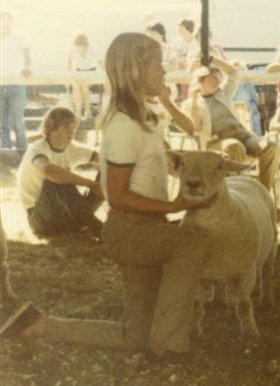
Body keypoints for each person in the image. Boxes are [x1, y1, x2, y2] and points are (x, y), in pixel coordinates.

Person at [1, 33, 216, 359]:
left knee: (135, 337)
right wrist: (175, 205)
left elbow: (182, 137)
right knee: (192, 243)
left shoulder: (142, 116)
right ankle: (170, 342)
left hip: (144, 228)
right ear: (136, 70)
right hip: (131, 231)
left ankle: (48, 325)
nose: (164, 71)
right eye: (158, 65)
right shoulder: (123, 124)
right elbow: (117, 197)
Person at [182, 55, 278, 192]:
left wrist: (211, 59)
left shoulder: (222, 94)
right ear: (201, 81)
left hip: (243, 136)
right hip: (218, 140)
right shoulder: (192, 103)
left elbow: (233, 72)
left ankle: (262, 193)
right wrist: (194, 99)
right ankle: (239, 193)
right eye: (213, 78)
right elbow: (195, 127)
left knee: (270, 146)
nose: (217, 82)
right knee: (234, 146)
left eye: (218, 78)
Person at [17, 106, 103, 240]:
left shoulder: (72, 148)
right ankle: (94, 225)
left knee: (108, 172)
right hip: (41, 219)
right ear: (52, 128)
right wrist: (91, 184)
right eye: (66, 128)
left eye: (73, 128)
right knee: (56, 178)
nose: (72, 132)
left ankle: (95, 221)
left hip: (67, 215)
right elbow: (49, 170)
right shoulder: (37, 149)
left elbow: (105, 160)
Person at [0, 12, 32, 151]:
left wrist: (28, 67)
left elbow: (27, 55)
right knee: (2, 123)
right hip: (0, 84)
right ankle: (5, 153)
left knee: (18, 121)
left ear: (10, 23)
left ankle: (22, 151)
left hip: (16, 84)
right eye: (1, 22)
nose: (4, 25)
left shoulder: (19, 38)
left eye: (6, 22)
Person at [67, 33, 102, 121]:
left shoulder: (93, 48)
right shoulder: (72, 49)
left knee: (83, 84)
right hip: (79, 72)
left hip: (91, 72)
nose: (80, 49)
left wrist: (106, 74)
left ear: (86, 45)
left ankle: (88, 111)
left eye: (82, 46)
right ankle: (79, 111)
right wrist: (68, 79)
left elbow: (101, 61)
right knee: (76, 86)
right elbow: (69, 64)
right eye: (78, 46)